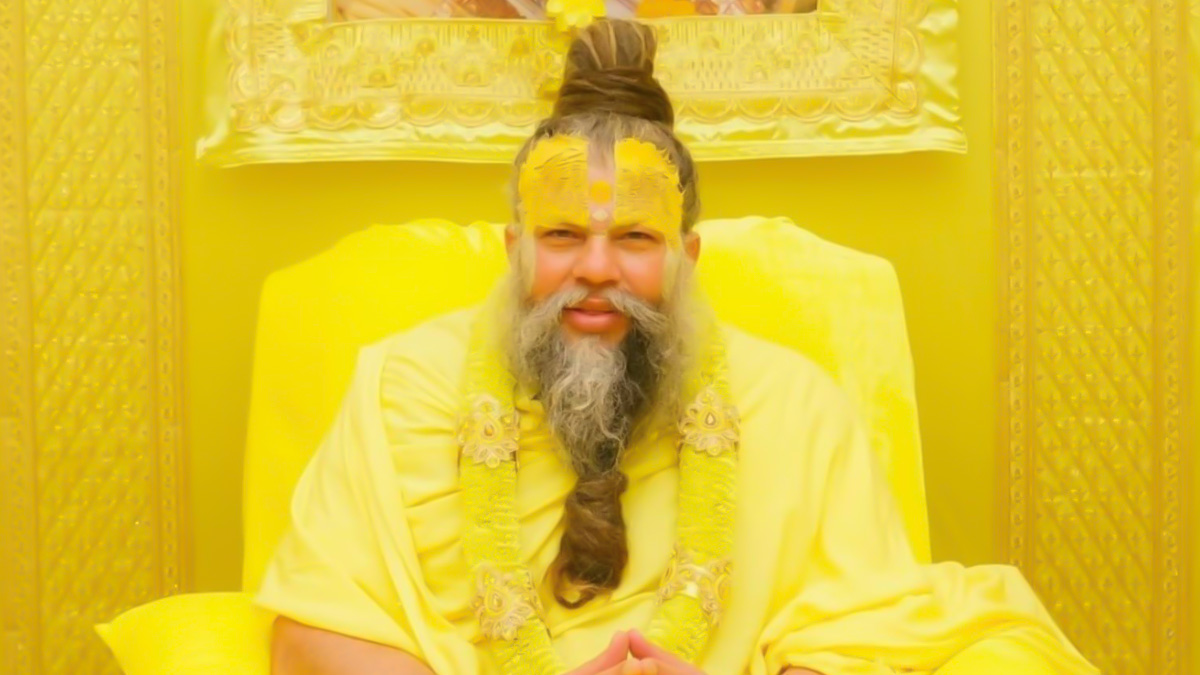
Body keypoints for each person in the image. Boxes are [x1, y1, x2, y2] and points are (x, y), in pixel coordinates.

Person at [259, 19, 1096, 675]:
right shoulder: (402, 385)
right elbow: (308, 635)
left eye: (634, 236)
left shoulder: (793, 405)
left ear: (686, 257)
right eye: (562, 234)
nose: (595, 268)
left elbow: (863, 630)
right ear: (515, 248)